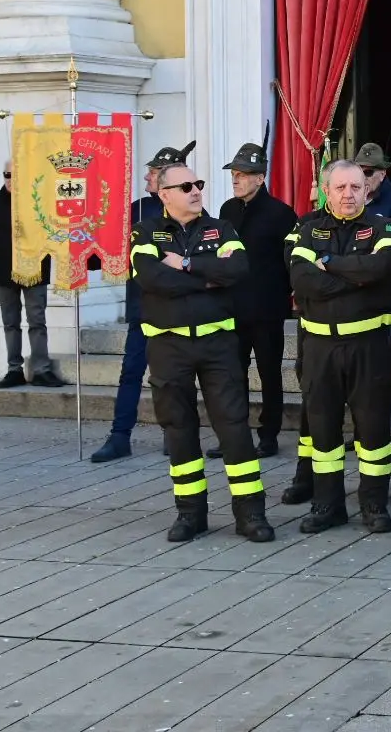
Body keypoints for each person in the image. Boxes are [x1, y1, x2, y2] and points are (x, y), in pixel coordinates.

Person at [129, 163, 273, 544]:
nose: (196, 191)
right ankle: (190, 513)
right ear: (164, 194)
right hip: (168, 346)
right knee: (178, 429)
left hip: (218, 346)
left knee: (234, 426)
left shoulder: (221, 229)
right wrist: (208, 280)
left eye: (198, 184)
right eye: (186, 186)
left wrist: (186, 264)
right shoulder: (145, 232)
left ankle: (251, 513)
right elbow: (151, 277)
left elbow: (237, 269)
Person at [287, 160, 391, 534]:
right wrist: (355, 279)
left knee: (373, 430)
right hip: (319, 348)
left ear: (367, 190)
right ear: (327, 191)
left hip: (368, 346)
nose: (349, 195)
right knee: (323, 430)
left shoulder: (384, 227)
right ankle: (328, 505)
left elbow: (380, 269)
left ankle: (374, 504)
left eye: (356, 187)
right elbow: (302, 280)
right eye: (340, 188)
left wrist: (328, 263)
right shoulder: (308, 229)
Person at [91, 142, 191, 462]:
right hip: (141, 307)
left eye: (153, 171)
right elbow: (110, 250)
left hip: (175, 309)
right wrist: (84, 253)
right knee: (131, 373)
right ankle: (120, 436)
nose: (147, 176)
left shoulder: (190, 212)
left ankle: (174, 435)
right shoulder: (135, 210)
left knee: (173, 376)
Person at [216, 142, 297, 459]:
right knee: (231, 375)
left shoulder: (281, 214)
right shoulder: (227, 210)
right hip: (233, 309)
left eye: (242, 174)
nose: (235, 180)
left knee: (269, 374)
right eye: (234, 174)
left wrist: (284, 297)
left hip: (266, 311)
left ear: (260, 178)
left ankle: (269, 435)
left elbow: (291, 262)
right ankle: (234, 435)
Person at [0, 160, 62, 389]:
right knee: (10, 322)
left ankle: (41, 370)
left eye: (16, 175)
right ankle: (14, 370)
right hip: (4, 270)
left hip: (35, 268)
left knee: (37, 321)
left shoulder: (39, 200)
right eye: (7, 175)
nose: (11, 180)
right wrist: (3, 250)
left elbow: (52, 228)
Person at [355, 143, 391, 219]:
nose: (362, 177)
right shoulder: (349, 198)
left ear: (382, 174)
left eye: (368, 172)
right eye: (358, 172)